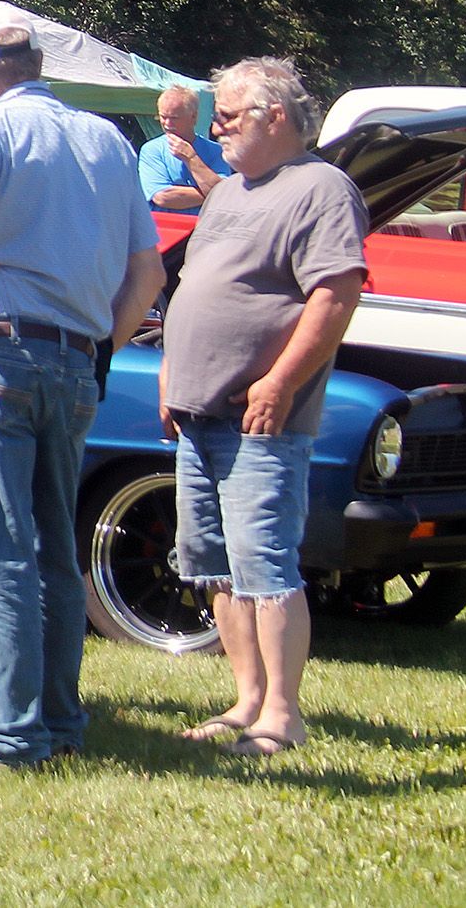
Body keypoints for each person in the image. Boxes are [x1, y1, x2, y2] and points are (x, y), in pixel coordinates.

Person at [0, 20, 165, 770]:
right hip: (77, 359)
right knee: (58, 546)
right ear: (41, 64)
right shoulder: (108, 141)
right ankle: (61, 723)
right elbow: (149, 274)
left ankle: (14, 734)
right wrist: (103, 345)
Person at [159, 58, 366, 758]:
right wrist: (170, 379)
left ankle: (282, 712)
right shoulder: (226, 194)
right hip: (198, 413)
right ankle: (246, 696)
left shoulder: (320, 189)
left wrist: (278, 381)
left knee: (265, 563)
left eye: (227, 116)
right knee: (215, 566)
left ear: (276, 115)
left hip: (261, 418)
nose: (213, 130)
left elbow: (334, 295)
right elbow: (189, 289)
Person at [138, 85, 230, 212]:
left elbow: (224, 196)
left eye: (174, 118)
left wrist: (191, 158)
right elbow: (162, 197)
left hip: (204, 228)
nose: (167, 124)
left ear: (194, 117)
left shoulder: (216, 151)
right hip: (167, 229)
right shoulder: (152, 150)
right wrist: (210, 193)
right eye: (163, 117)